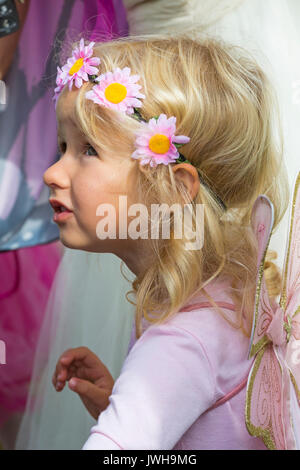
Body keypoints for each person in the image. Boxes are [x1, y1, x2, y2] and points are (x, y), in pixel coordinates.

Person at [45, 34, 290, 449]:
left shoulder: (178, 342)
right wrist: (129, 405)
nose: (53, 171)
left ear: (174, 189)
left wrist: (145, 393)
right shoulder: (226, 295)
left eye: (88, 150)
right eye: (63, 146)